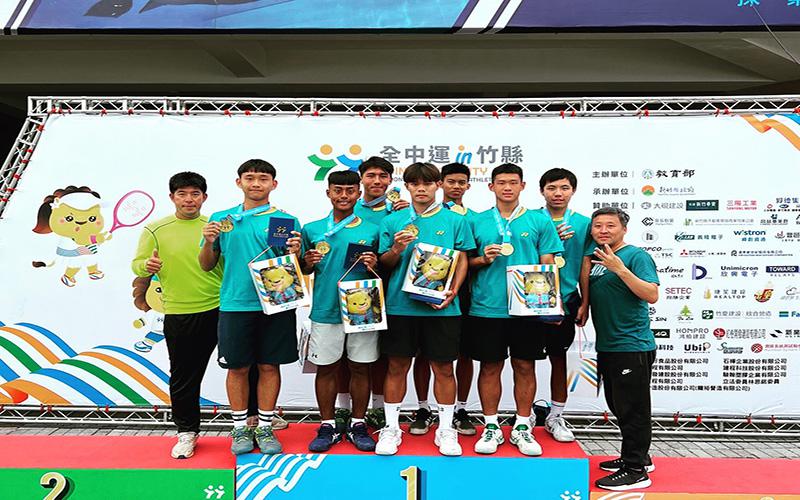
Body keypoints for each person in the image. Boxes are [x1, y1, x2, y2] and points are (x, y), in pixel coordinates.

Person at [199, 159, 301, 456]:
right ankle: (240, 427)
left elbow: (295, 268)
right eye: (250, 177)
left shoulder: (285, 221)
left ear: (274, 184)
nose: (256, 183)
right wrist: (208, 242)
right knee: (238, 367)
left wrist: (295, 252)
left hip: (276, 304)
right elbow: (206, 265)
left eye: (263, 178)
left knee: (269, 365)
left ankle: (265, 426)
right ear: (239, 182)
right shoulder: (222, 220)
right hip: (235, 303)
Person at [375, 162, 475, 456]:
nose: (421, 189)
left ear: (438, 185)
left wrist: (453, 290)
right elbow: (384, 264)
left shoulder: (455, 220)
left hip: (441, 308)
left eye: (428, 183)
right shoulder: (392, 221)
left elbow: (462, 258)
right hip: (400, 307)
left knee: (444, 368)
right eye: (415, 183)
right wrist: (396, 249)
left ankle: (446, 429)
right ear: (406, 186)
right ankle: (391, 427)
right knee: (396, 367)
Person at [466, 163, 563, 456]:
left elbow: (548, 263)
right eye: (501, 182)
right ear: (491, 186)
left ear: (522, 186)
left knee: (525, 365)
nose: (507, 187)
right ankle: (491, 426)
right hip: (487, 307)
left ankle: (522, 426)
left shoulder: (539, 220)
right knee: (490, 367)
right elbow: (464, 264)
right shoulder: (476, 221)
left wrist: (552, 305)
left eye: (513, 182)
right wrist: (483, 259)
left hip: (527, 309)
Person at [131, 172, 223, 459]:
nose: (189, 199)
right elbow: (137, 264)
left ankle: (255, 420)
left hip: (221, 308)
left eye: (195, 194)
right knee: (184, 376)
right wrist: (147, 266)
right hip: (179, 311)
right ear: (172, 197)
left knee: (244, 367)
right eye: (182, 194)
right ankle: (187, 432)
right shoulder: (155, 229)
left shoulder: (215, 227)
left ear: (204, 197)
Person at [300, 170, 380, 452]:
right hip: (325, 308)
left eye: (350, 190)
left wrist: (374, 263)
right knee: (326, 368)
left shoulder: (372, 229)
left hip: (363, 309)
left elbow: (383, 269)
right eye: (338, 190)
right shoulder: (311, 229)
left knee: (361, 367)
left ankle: (358, 423)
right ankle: (327, 425)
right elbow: (304, 269)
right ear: (328, 193)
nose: (344, 196)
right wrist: (308, 261)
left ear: (359, 193)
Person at [586, 207, 659, 491]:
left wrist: (620, 269)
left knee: (633, 409)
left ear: (624, 229)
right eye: (598, 226)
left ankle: (635, 469)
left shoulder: (635, 256)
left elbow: (651, 294)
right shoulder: (596, 258)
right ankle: (639, 456)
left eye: (610, 225)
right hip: (609, 344)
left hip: (632, 345)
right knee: (618, 404)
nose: (603, 230)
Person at [335, 156, 409, 431]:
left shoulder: (399, 211)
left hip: (389, 289)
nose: (377, 181)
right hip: (352, 289)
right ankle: (343, 408)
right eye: (371, 175)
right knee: (343, 356)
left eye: (383, 176)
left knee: (381, 354)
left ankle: (378, 408)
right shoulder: (348, 206)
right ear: (361, 179)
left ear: (390, 180)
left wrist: (404, 215)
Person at [410, 162, 477, 436]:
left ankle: (459, 410)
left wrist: (454, 289)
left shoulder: (474, 218)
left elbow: (468, 258)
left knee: (461, 354)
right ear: (442, 184)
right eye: (451, 181)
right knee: (422, 354)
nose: (456, 186)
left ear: (469, 185)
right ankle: (423, 409)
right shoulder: (406, 215)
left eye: (462, 182)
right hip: (418, 292)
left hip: (460, 295)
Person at [537, 168, 592, 442]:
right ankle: (523, 416)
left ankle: (556, 416)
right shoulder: (531, 219)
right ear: (541, 191)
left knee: (558, 359)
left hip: (567, 299)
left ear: (573, 190)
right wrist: (551, 240)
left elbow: (585, 263)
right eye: (551, 188)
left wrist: (585, 301)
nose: (557, 193)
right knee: (522, 361)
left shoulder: (584, 223)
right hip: (533, 299)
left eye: (564, 188)